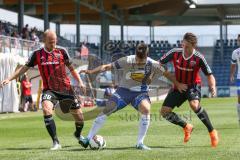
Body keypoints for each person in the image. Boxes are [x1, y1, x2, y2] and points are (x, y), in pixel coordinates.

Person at [79, 43, 186, 150]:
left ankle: (140, 143)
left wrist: (178, 84)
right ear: (135, 54)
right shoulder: (127, 60)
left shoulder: (153, 64)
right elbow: (107, 66)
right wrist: (91, 71)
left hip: (140, 93)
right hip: (123, 91)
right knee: (108, 108)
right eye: (137, 59)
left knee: (146, 109)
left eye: (141, 60)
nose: (139, 62)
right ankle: (88, 138)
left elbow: (166, 73)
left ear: (146, 56)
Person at [0, 29, 86, 150]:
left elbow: (71, 69)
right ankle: (56, 142)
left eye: (55, 41)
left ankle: (77, 134)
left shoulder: (62, 52)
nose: (53, 44)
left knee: (80, 118)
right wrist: (9, 78)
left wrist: (80, 82)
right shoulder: (37, 54)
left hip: (65, 89)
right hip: (49, 90)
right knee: (46, 109)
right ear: (44, 41)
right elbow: (24, 68)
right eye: (51, 42)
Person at [159, 32, 219, 148]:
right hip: (178, 86)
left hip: (193, 85)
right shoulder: (175, 53)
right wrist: (176, 83)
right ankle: (186, 126)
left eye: (187, 46)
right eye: (183, 45)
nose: (184, 48)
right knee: (164, 112)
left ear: (193, 46)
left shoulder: (199, 58)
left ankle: (212, 132)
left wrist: (212, 87)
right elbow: (158, 65)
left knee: (194, 105)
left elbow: (209, 75)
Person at [230, 34, 240, 125]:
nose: (239, 42)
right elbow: (233, 65)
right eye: (238, 40)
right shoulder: (235, 52)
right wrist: (232, 75)